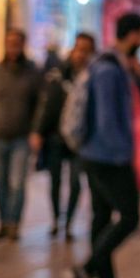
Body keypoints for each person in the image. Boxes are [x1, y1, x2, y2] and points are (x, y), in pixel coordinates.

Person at [72, 13, 140, 278]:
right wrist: (123, 156)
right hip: (106, 156)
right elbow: (106, 120)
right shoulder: (109, 68)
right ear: (134, 34)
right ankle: (87, 268)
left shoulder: (111, 64)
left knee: (101, 217)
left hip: (95, 154)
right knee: (130, 216)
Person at [0, 28, 43, 242]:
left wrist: (35, 130)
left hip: (21, 137)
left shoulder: (32, 73)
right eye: (10, 42)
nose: (14, 47)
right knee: (0, 182)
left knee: (17, 183)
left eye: (17, 42)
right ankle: (3, 222)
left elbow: (41, 104)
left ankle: (14, 223)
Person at [32, 33, 94, 240]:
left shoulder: (93, 77)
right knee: (55, 181)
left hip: (80, 140)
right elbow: (47, 106)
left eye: (86, 50)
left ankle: (68, 224)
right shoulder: (58, 74)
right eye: (79, 49)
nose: (81, 55)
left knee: (76, 182)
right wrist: (38, 132)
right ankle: (55, 219)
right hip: (56, 137)